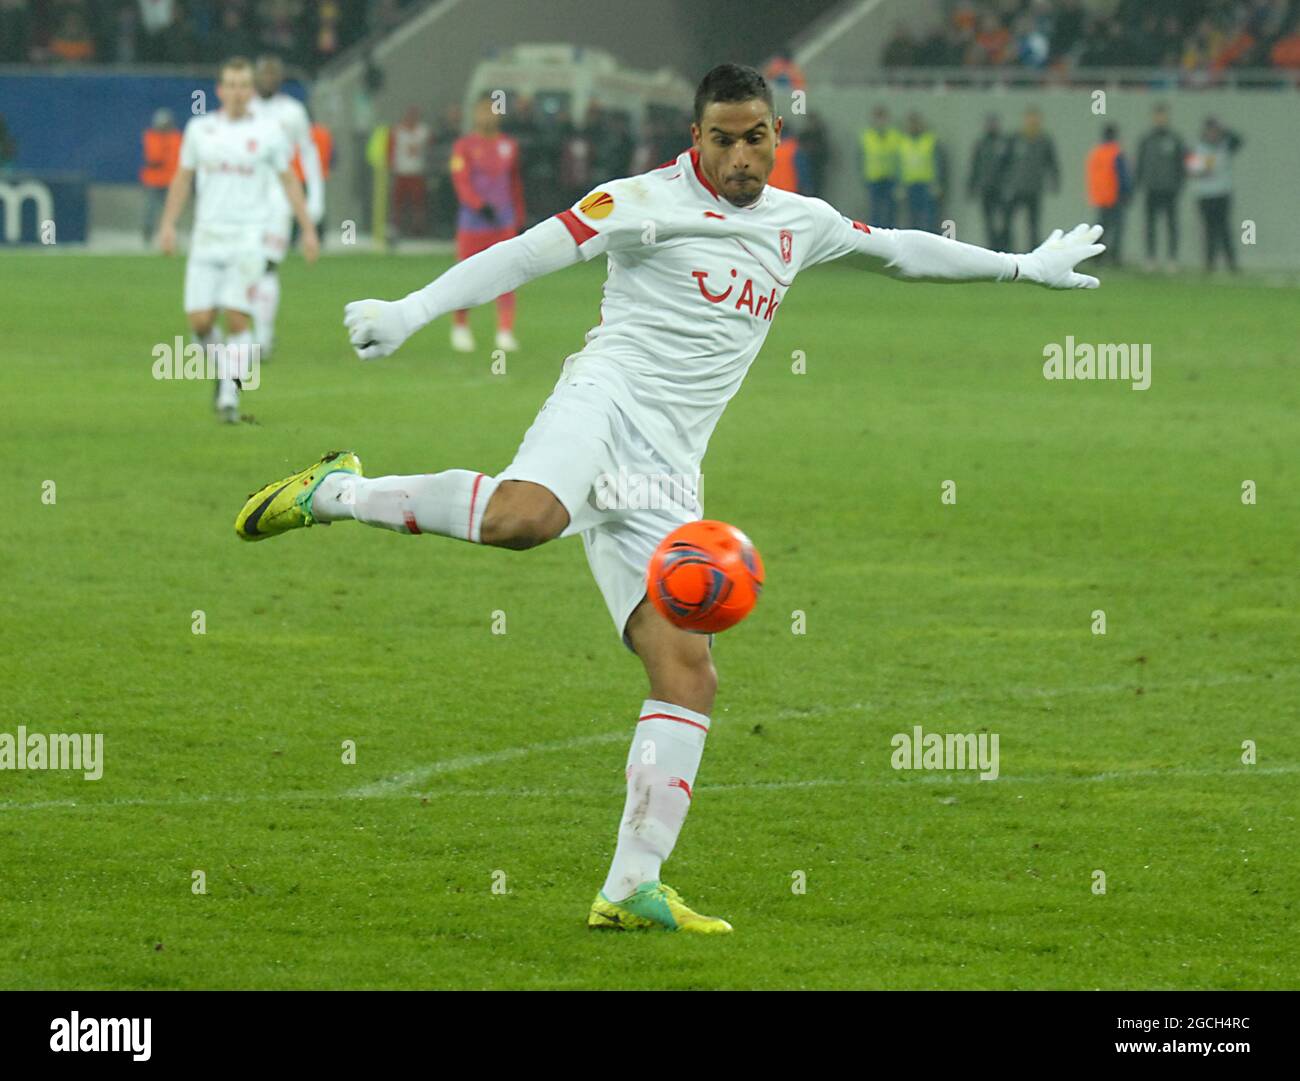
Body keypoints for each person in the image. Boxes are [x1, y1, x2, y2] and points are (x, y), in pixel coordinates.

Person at [233, 64, 1103, 934]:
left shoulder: (803, 223)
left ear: (774, 136)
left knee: (689, 669)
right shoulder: (639, 202)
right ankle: (336, 489)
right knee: (523, 519)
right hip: (604, 403)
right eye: (721, 138)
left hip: (669, 470)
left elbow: (904, 250)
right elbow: (528, 249)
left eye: (754, 136)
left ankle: (630, 885)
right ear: (697, 139)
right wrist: (414, 307)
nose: (739, 155)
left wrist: (1024, 266)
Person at [156, 57, 319, 423]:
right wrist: (168, 225)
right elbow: (182, 178)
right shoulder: (200, 130)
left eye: (243, 85)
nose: (237, 92)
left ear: (251, 90)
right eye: (230, 84)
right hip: (206, 236)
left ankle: (230, 392)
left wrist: (307, 229)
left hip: (249, 238)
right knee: (199, 322)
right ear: (220, 90)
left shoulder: (269, 133)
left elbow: (289, 180)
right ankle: (224, 369)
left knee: (236, 318)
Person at [248, 54, 325, 357]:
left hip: (279, 198)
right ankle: (243, 330)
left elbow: (308, 153)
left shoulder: (293, 112)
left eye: (273, 74)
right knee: (244, 265)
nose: (268, 78)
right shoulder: (243, 108)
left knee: (267, 265)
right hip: (244, 197)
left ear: (280, 79)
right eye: (263, 73)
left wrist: (314, 198)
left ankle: (263, 337)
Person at [447, 91, 526, 354]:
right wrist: (479, 205)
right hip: (473, 223)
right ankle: (460, 326)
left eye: (491, 110)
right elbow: (462, 182)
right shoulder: (464, 147)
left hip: (503, 222)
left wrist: (518, 214)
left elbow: (514, 182)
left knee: (506, 275)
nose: (486, 116)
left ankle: (505, 332)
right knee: (467, 276)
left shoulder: (509, 145)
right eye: (482, 110)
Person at [1135, 104, 1187, 271]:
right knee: (1150, 225)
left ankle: (1172, 259)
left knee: (1171, 225)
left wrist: (1179, 184)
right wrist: (1138, 184)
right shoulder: (1146, 140)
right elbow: (1140, 164)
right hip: (1151, 188)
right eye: (1157, 116)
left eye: (1163, 116)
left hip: (1170, 189)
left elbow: (1182, 164)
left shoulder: (1175, 139)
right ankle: (1151, 258)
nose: (1160, 119)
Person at [1188, 117, 1242, 272]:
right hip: (1205, 195)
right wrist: (1207, 166)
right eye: (1210, 130)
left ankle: (1231, 264)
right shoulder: (1198, 149)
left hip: (1222, 193)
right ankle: (1209, 263)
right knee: (1209, 231)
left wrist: (1226, 130)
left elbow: (1239, 140)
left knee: (1225, 230)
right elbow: (1194, 171)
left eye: (1215, 130)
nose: (1213, 134)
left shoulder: (1224, 146)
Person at [1003, 106, 1059, 251]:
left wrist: (1055, 181)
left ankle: (1033, 252)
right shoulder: (1015, 138)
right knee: (1008, 221)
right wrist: (1005, 183)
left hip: (1034, 188)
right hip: (1016, 187)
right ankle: (1007, 250)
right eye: (1030, 118)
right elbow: (1004, 162)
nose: (1032, 122)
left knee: (1033, 224)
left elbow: (1052, 163)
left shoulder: (1044, 140)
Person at [1085, 124, 1130, 267]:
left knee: (1100, 228)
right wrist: (1127, 193)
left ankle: (1096, 255)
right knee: (1117, 228)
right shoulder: (1116, 152)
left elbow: (1091, 175)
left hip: (1100, 197)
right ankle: (1114, 257)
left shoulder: (1096, 153)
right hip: (1114, 196)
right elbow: (1123, 177)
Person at [140, 108, 182, 245]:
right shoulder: (151, 136)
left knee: (172, 212)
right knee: (150, 210)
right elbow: (154, 157)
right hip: (153, 180)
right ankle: (147, 237)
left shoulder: (177, 138)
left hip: (171, 180)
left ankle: (170, 236)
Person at [967, 113, 1008, 249]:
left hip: (1001, 189)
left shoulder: (1004, 143)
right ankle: (992, 248)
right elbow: (975, 166)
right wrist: (971, 186)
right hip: (986, 188)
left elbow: (1010, 166)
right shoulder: (981, 144)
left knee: (1004, 222)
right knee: (988, 222)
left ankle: (1005, 247)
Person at [390, 105, 431, 238]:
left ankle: (418, 229)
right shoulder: (398, 131)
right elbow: (391, 150)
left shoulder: (423, 131)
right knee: (398, 203)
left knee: (418, 204)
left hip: (416, 172)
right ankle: (396, 228)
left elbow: (429, 145)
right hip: (401, 172)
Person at [860, 105, 900, 228]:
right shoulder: (867, 136)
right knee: (875, 210)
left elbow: (900, 158)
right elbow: (860, 158)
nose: (880, 122)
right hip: (873, 178)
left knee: (891, 211)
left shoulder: (895, 136)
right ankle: (875, 235)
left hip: (890, 178)